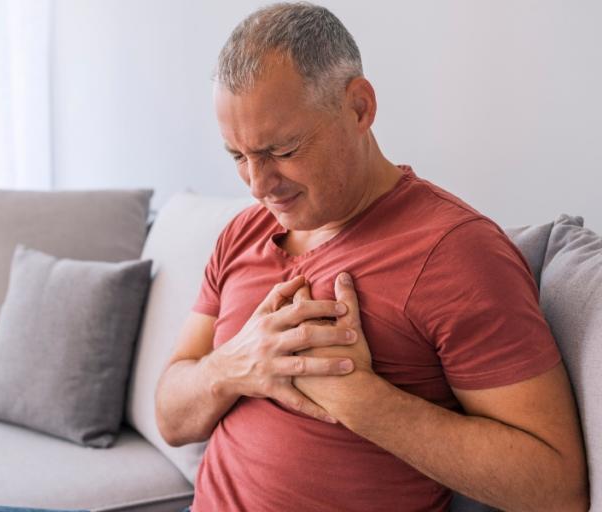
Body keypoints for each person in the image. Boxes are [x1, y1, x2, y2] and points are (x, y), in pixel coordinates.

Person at [154, 3, 589, 512]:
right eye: (238, 156)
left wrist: (358, 398)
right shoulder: (244, 232)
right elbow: (171, 417)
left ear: (359, 108)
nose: (257, 185)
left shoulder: (457, 253)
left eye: (283, 150)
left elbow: (557, 489)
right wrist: (233, 366)